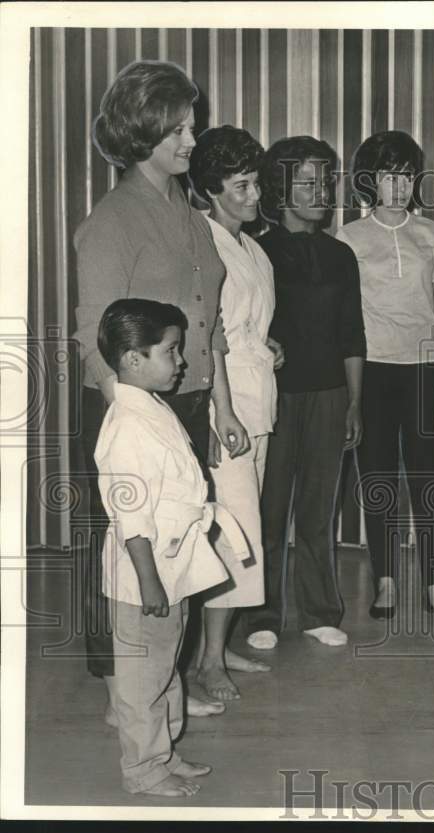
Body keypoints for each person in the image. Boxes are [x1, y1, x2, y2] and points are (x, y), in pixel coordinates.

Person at [73, 60, 248, 718]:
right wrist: (139, 419)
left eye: (191, 125)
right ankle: (129, 693)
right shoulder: (112, 222)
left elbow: (211, 319)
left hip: (190, 400)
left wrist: (221, 402)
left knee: (179, 544)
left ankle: (162, 682)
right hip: (140, 409)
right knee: (135, 551)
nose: (192, 138)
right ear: (141, 132)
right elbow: (91, 336)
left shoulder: (187, 211)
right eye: (178, 128)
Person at [94, 298, 250, 796]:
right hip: (146, 575)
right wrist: (149, 583)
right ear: (132, 359)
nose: (181, 361)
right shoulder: (125, 427)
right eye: (171, 351)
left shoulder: (153, 407)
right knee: (143, 679)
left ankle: (164, 751)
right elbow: (132, 521)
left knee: (165, 668)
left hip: (171, 565)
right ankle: (142, 770)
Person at [246, 136, 365, 650]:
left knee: (318, 510)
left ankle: (319, 611)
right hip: (275, 396)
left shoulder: (341, 255)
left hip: (331, 394)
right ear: (279, 188)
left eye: (326, 181)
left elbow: (352, 333)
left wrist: (354, 401)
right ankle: (261, 616)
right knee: (269, 511)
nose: (321, 192)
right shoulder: (257, 251)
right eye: (308, 182)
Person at [336, 130, 434, 621]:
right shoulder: (349, 237)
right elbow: (345, 321)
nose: (400, 185)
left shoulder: (433, 234)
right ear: (371, 180)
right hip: (372, 372)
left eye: (407, 175)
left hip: (424, 371)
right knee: (379, 479)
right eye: (390, 175)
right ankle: (385, 581)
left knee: (429, 480)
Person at [187, 125, 280, 698]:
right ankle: (207, 664)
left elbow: (246, 329)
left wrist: (269, 346)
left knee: (248, 528)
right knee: (231, 530)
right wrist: (222, 412)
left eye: (255, 183)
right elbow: (210, 335)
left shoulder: (253, 246)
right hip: (229, 407)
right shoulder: (203, 243)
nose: (253, 195)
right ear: (210, 190)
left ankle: (217, 649)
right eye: (240, 185)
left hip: (257, 396)